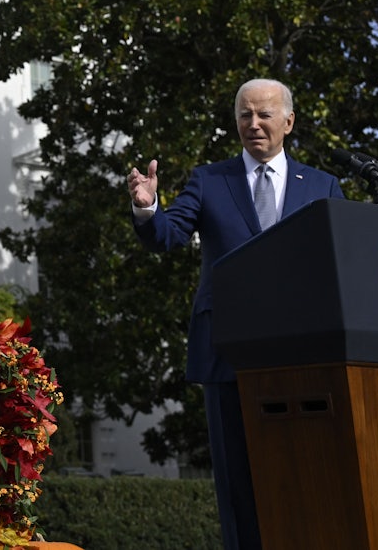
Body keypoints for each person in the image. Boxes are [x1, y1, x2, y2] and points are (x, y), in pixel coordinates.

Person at [126, 78, 344, 550]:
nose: (254, 123)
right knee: (237, 482)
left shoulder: (323, 186)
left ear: (288, 121)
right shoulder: (211, 179)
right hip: (228, 350)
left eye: (265, 114)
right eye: (245, 114)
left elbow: (340, 262)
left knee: (306, 473)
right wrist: (147, 210)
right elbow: (170, 235)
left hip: (304, 351)